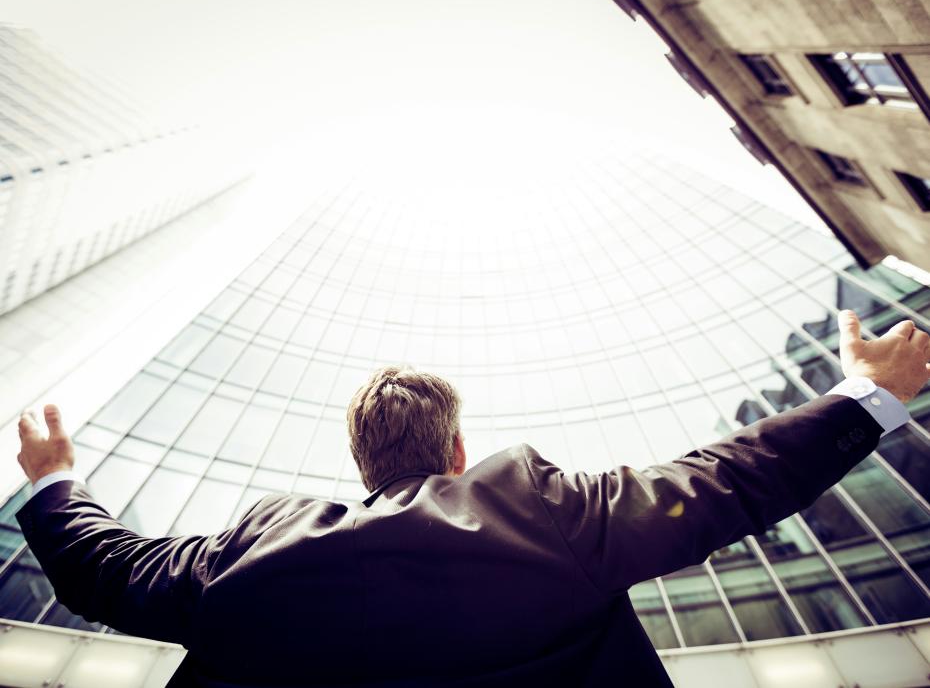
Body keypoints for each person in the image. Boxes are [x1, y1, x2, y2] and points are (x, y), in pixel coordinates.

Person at [14, 310, 930, 687]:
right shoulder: (537, 508)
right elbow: (721, 483)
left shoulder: (250, 556)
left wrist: (56, 478)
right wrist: (867, 395)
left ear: (363, 465)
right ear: (458, 452)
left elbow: (105, 572)